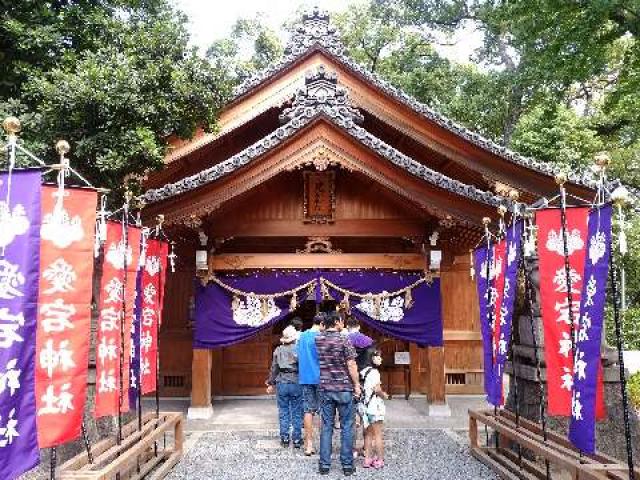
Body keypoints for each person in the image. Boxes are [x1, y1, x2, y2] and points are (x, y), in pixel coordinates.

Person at [315, 312, 361, 476]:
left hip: (326, 387)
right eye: (341, 320)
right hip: (343, 387)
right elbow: (351, 364)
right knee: (347, 426)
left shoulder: (318, 339)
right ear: (336, 322)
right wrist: (356, 384)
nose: (343, 323)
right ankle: (347, 465)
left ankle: (324, 465)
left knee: (326, 426)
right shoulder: (344, 339)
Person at [266, 325, 303, 448]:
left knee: (283, 411)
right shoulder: (298, 349)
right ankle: (297, 439)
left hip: (282, 381)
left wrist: (271, 383)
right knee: (297, 411)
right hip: (296, 381)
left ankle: (285, 438)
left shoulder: (278, 350)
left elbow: (274, 368)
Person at [297, 313, 324, 455]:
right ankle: (323, 444)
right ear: (321, 324)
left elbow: (297, 354)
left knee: (308, 411)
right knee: (323, 411)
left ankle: (308, 444)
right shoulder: (320, 337)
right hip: (320, 377)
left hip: (305, 376)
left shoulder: (302, 336)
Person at [359, 349, 388, 469]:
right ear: (371, 358)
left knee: (368, 434)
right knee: (378, 435)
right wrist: (385, 395)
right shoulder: (375, 372)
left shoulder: (364, 371)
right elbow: (377, 389)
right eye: (378, 357)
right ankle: (380, 460)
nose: (380, 359)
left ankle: (367, 459)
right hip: (375, 406)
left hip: (366, 406)